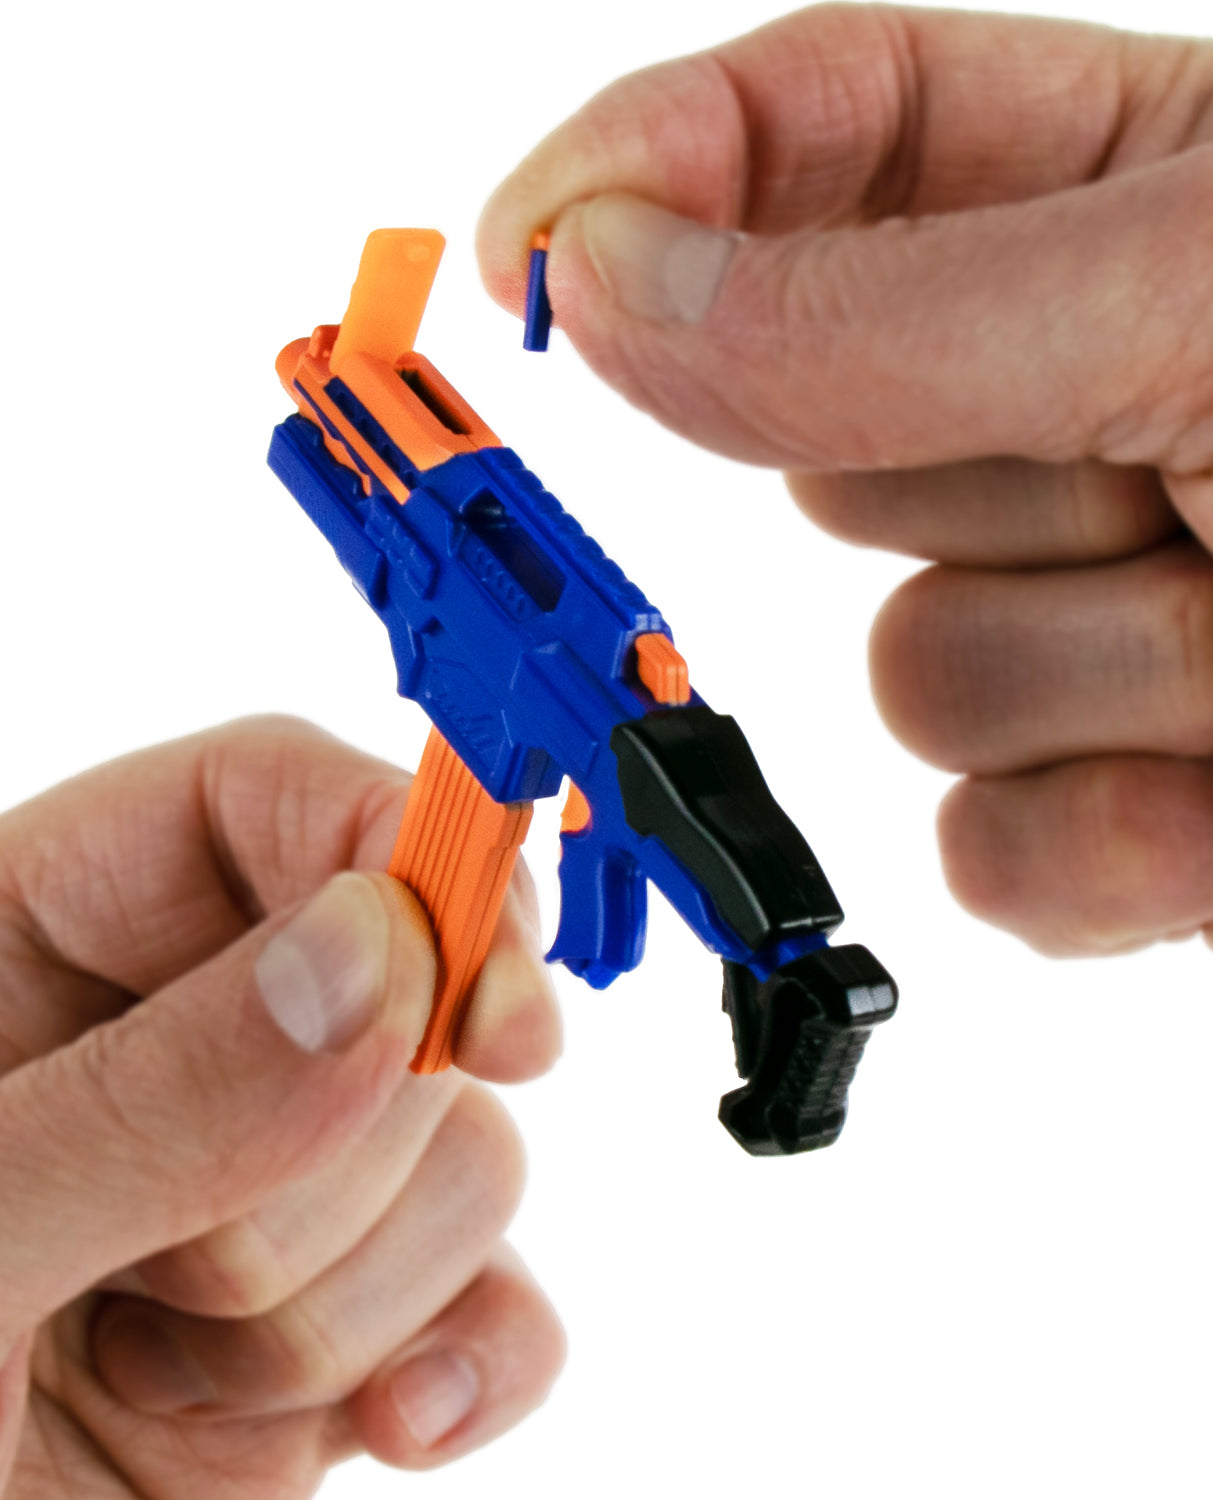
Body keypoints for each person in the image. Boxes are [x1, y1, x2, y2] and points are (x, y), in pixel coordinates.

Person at [2, 4, 1211, 1494]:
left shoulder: (550, 657)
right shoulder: (545, 617)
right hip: (607, 696)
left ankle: (643, 969)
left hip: (598, 710)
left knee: (531, 874)